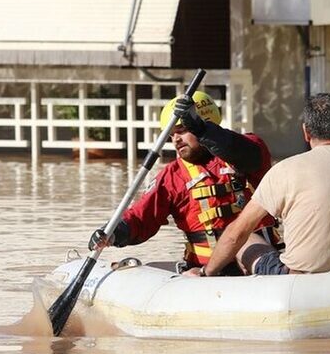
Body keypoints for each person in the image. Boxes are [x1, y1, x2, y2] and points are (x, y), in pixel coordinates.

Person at [185, 93, 330, 277]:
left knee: (247, 239)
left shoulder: (284, 170)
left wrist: (205, 272)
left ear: (306, 132)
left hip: (298, 279)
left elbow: (235, 235)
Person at [89, 91, 277, 272]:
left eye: (182, 130)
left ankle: (277, 272)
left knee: (249, 245)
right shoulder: (172, 177)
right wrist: (114, 231)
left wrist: (202, 130)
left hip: (256, 260)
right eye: (171, 134)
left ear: (205, 122)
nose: (176, 139)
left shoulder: (248, 148)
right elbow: (141, 217)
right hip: (204, 271)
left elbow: (245, 154)